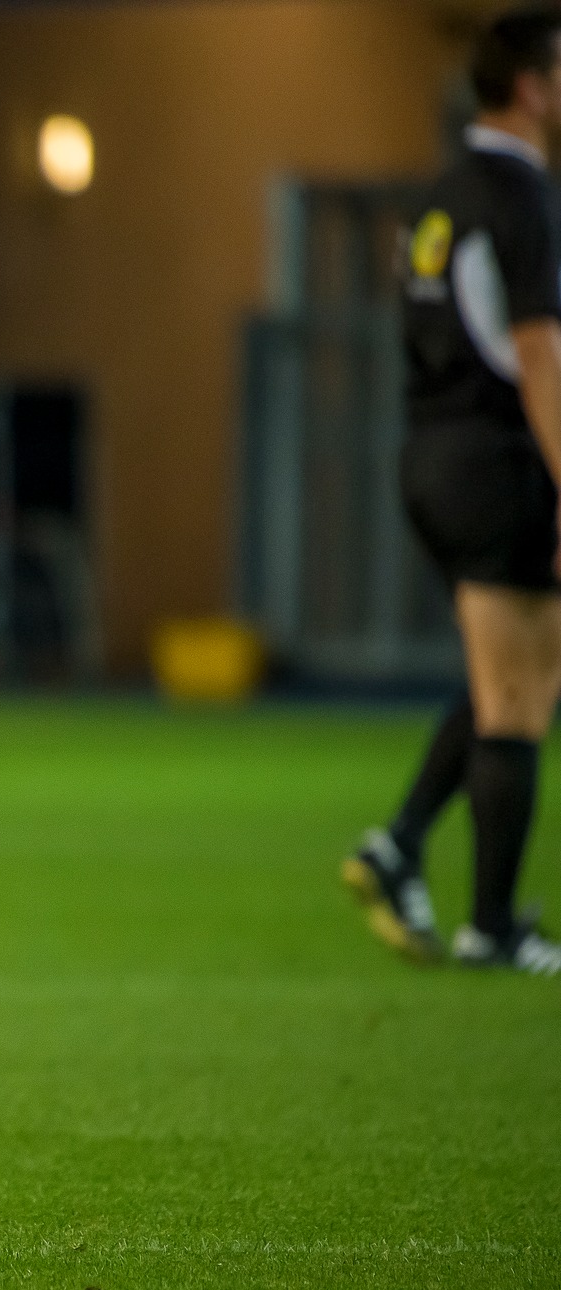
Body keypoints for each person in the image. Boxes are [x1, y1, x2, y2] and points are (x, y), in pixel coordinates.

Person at [345, 5, 561, 976]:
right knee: (520, 690)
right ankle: (491, 924)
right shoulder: (519, 194)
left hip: (430, 451)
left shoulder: (440, 198)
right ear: (530, 84)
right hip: (495, 458)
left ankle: (398, 846)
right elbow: (532, 349)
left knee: (502, 674)